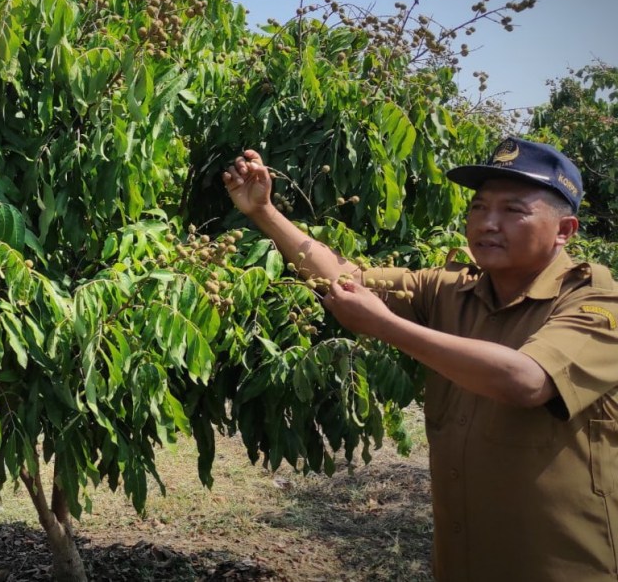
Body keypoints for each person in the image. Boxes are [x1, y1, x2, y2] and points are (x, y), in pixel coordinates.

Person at [224, 137, 618, 582]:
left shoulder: (599, 305)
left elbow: (527, 380)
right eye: (479, 207)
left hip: (563, 567)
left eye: (513, 211)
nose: (487, 223)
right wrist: (264, 212)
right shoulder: (452, 289)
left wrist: (386, 326)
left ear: (565, 230)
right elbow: (346, 279)